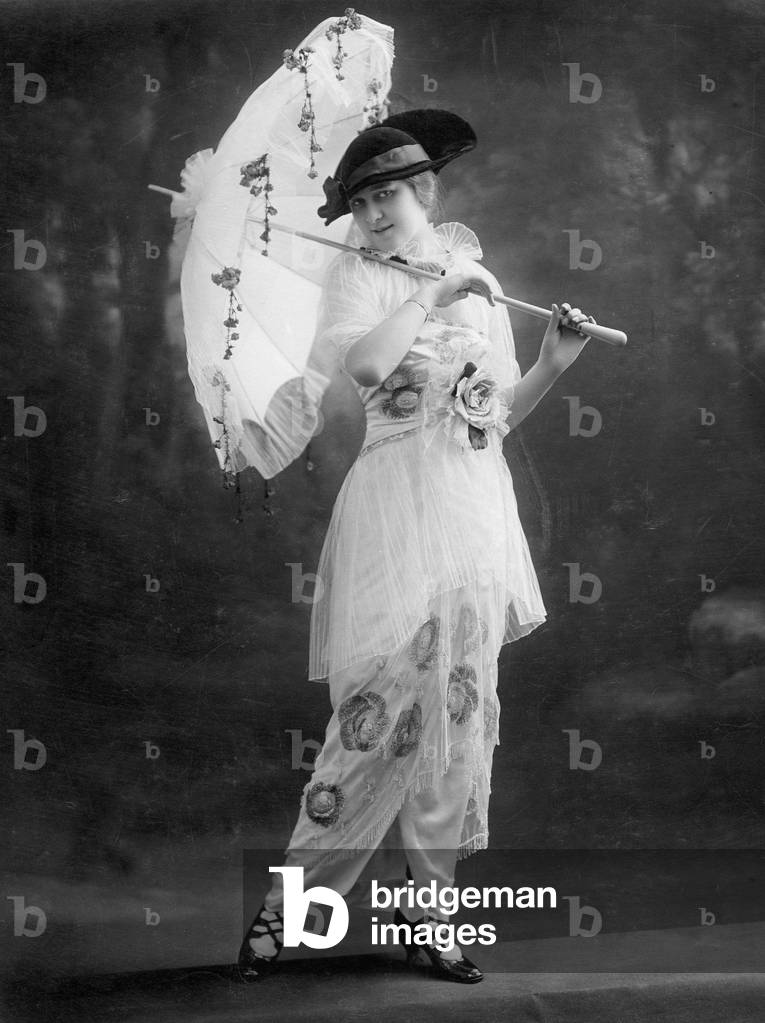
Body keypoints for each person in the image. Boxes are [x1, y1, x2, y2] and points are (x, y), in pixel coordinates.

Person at [236, 108, 595, 984]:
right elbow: (366, 369)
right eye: (360, 202)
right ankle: (292, 912)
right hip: (394, 503)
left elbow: (492, 415)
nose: (372, 215)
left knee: (456, 717)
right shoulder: (357, 278)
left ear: (424, 193)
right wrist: (427, 295)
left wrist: (552, 362)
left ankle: (428, 920)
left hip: (471, 509)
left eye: (388, 196)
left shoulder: (479, 277)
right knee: (376, 713)